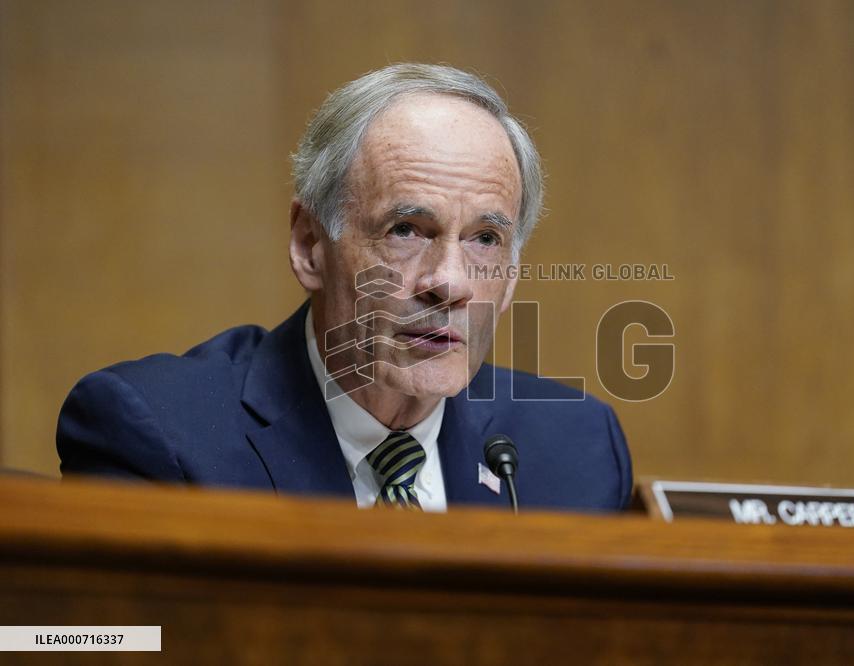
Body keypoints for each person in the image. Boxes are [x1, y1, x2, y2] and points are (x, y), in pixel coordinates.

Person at [57, 64, 632, 512]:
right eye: (406, 230)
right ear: (310, 246)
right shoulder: (159, 436)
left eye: (485, 239)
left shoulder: (575, 453)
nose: (450, 282)